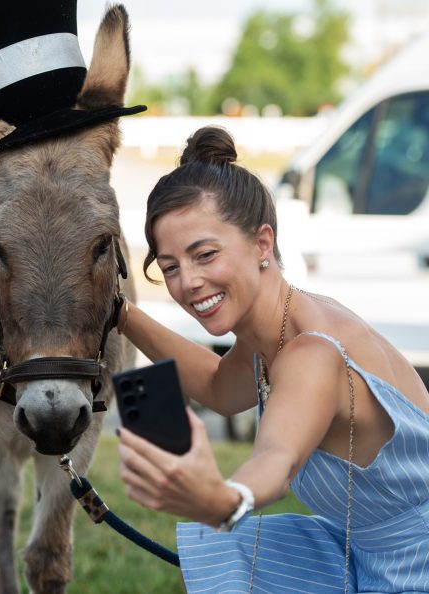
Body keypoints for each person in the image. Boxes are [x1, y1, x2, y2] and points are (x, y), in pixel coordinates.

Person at [116, 126, 429, 593]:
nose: (188, 282)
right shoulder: (271, 334)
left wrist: (224, 498)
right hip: (359, 547)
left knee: (221, 532)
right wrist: (119, 314)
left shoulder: (312, 350)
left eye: (205, 255)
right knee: (216, 547)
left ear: (263, 243)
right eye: (170, 267)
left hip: (417, 563)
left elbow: (276, 459)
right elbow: (219, 388)